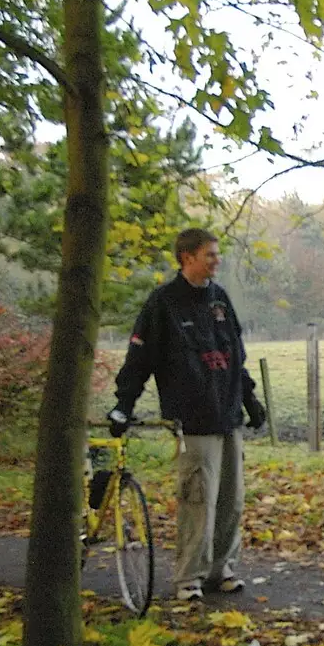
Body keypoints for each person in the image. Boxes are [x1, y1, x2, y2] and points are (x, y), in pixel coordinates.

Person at [108, 228, 266, 602]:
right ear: (187, 257)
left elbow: (235, 358)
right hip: (193, 420)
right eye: (209, 254)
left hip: (227, 417)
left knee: (232, 500)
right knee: (199, 501)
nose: (217, 260)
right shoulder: (164, 304)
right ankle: (188, 577)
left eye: (217, 254)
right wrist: (123, 405)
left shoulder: (220, 300)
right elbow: (139, 360)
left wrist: (249, 400)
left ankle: (221, 569)